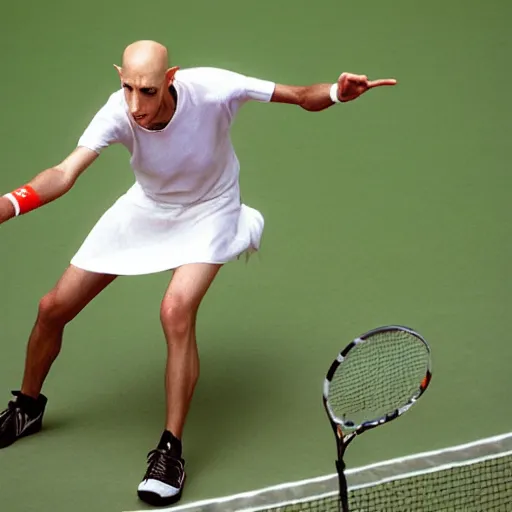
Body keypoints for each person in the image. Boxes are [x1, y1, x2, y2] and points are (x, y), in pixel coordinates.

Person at [0, 40, 396, 507]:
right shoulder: (119, 111)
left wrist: (335, 92)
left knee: (175, 309)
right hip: (146, 209)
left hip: (212, 210)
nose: (135, 104)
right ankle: (28, 406)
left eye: (146, 91)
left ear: (171, 78)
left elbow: (298, 95)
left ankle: (170, 450)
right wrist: (8, 205)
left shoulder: (214, 87)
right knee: (52, 307)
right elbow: (64, 174)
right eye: (126, 87)